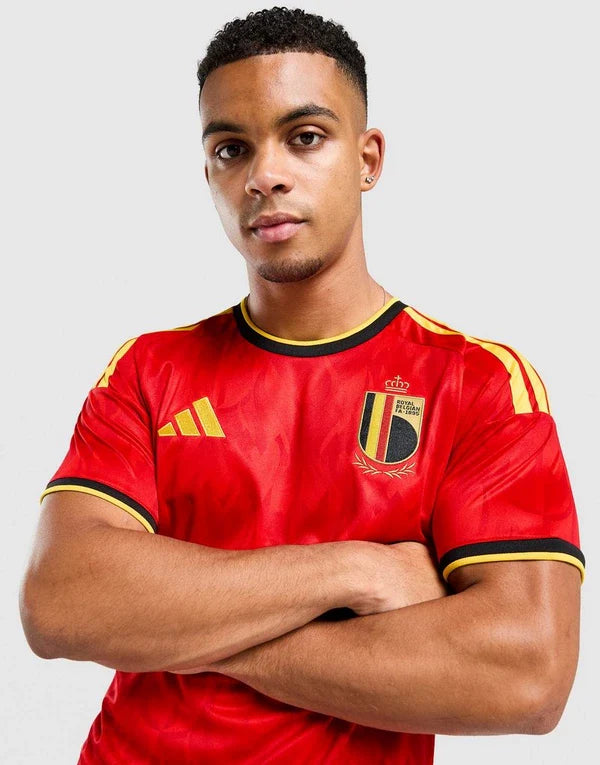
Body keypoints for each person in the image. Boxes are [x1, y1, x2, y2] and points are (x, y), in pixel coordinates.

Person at [19, 7, 584, 764]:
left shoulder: (477, 384)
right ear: (209, 173)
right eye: (231, 149)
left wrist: (184, 630)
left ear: (368, 158)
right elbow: (60, 601)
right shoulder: (149, 370)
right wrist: (360, 569)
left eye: (305, 137)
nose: (265, 175)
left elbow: (528, 677)